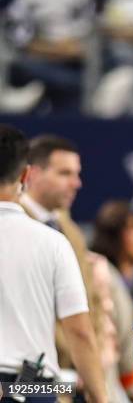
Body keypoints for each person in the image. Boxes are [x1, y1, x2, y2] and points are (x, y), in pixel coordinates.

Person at [22, 135, 133, 402]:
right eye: (65, 173)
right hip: (32, 376)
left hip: (79, 375)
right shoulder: (14, 230)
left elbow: (91, 300)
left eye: (77, 173)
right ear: (33, 173)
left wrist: (92, 359)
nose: (77, 183)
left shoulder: (69, 229)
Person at [0, 124, 107, 403]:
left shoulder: (63, 235)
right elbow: (80, 331)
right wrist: (100, 397)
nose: (75, 183)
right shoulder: (53, 242)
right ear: (26, 175)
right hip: (34, 387)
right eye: (65, 173)